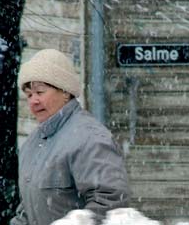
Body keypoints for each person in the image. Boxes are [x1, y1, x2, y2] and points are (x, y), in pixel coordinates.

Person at [10, 48, 130, 225]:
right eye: (29, 95)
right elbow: (27, 210)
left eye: (40, 92)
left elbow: (110, 203)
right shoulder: (32, 144)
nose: (33, 101)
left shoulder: (89, 138)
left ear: (65, 92)